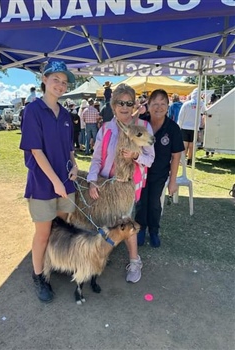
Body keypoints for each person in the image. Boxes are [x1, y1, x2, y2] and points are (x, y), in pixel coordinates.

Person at [19, 60, 78, 303]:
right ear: (44, 80)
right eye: (56, 80)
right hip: (43, 184)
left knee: (60, 228)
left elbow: (69, 149)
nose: (60, 85)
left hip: (65, 182)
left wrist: (74, 165)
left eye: (64, 82)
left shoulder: (66, 114)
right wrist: (55, 182)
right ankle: (38, 276)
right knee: (43, 233)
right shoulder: (33, 111)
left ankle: (53, 262)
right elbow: (35, 150)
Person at [87, 83, 155, 283]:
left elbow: (150, 158)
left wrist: (136, 156)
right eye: (120, 103)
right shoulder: (106, 128)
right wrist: (92, 181)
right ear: (113, 104)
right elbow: (97, 158)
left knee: (126, 221)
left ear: (134, 104)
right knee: (105, 219)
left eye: (129, 103)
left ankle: (135, 261)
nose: (124, 107)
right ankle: (101, 256)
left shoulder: (142, 128)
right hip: (106, 183)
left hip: (127, 185)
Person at [135, 89, 185, 248]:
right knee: (141, 202)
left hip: (159, 173)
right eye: (155, 104)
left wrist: (173, 181)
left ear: (168, 106)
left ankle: (154, 231)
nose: (158, 107)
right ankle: (140, 229)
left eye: (163, 104)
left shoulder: (173, 128)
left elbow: (176, 156)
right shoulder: (141, 122)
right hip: (140, 172)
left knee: (154, 203)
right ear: (148, 105)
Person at [178, 88, 205, 166]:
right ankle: (190, 160)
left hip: (184, 127)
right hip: (195, 128)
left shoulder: (186, 104)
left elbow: (181, 116)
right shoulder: (201, 104)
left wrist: (179, 126)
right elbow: (205, 112)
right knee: (192, 145)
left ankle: (182, 160)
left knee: (184, 144)